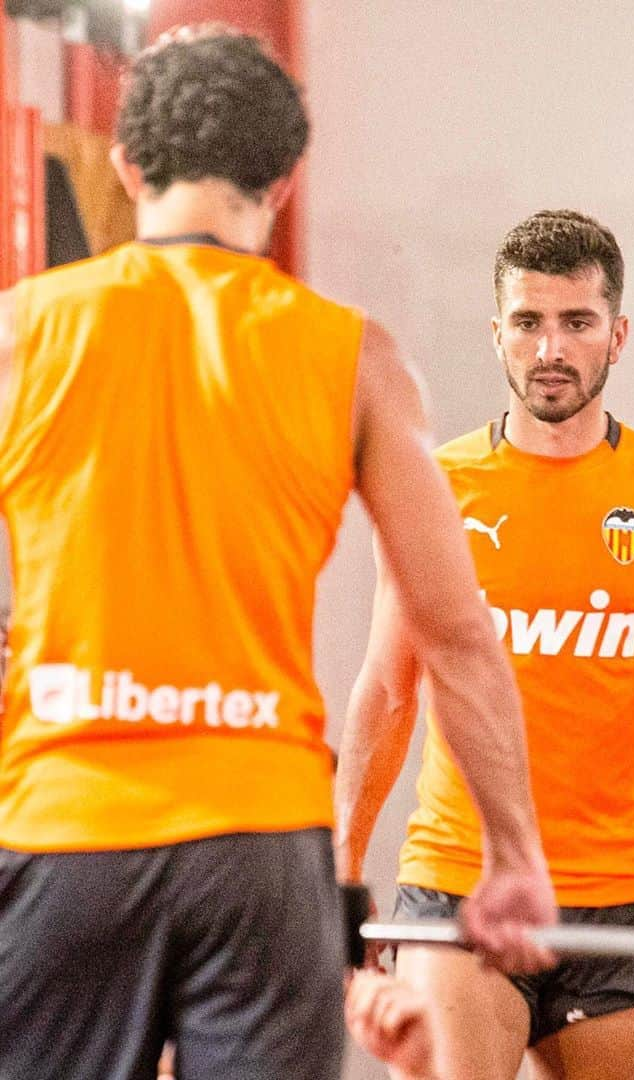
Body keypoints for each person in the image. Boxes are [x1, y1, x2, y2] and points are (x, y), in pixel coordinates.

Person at [0, 25, 555, 1080]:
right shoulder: (356, 362)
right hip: (258, 846)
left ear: (125, 166)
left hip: (65, 828)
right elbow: (454, 634)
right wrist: (516, 856)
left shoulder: (20, 333)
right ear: (286, 181)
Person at [336, 209, 634, 1080]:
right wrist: (339, 857)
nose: (551, 348)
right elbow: (388, 687)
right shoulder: (440, 485)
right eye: (528, 322)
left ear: (618, 334)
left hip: (614, 890)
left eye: (577, 322)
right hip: (461, 875)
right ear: (498, 334)